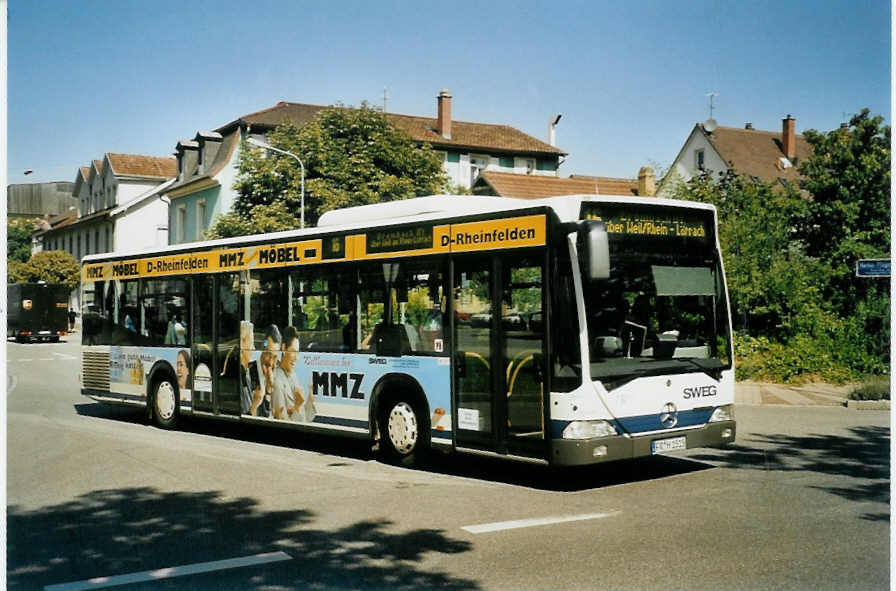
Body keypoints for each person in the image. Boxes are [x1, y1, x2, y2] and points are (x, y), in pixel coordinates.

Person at [271, 326, 314, 422]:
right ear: (283, 349)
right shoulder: (277, 382)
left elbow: (305, 420)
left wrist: (310, 400)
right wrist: (298, 406)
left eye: (297, 353)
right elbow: (283, 426)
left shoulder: (293, 376)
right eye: (293, 351)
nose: (296, 358)